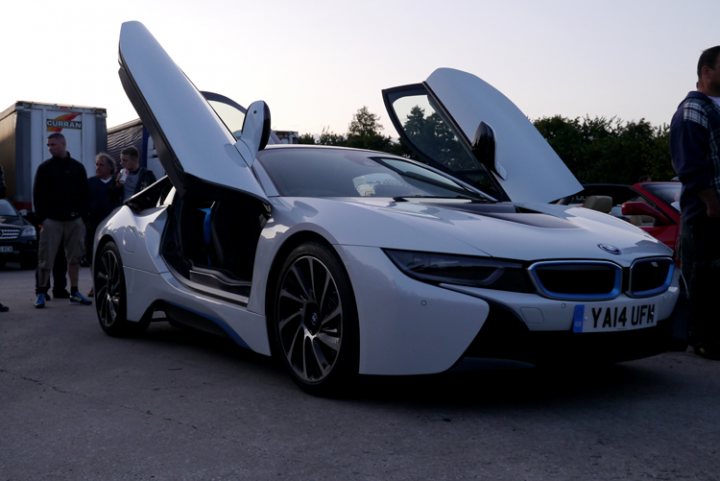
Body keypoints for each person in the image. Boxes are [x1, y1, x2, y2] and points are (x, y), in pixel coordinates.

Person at [670, 45, 720, 360]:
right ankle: (704, 339)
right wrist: (712, 204)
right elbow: (689, 165)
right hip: (707, 212)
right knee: (706, 277)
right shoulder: (693, 110)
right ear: (706, 71)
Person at [33, 133, 92, 308]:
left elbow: (85, 194)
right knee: (45, 259)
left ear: (63, 144)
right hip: (51, 221)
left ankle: (74, 291)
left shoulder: (77, 168)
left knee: (74, 259)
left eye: (54, 145)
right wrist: (42, 219)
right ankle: (41, 293)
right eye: (49, 145)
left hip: (74, 221)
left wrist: (82, 217)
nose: (50, 148)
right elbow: (38, 195)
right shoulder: (44, 168)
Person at [85, 153, 122, 296]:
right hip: (93, 226)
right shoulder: (90, 183)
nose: (98, 167)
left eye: (101, 165)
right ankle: (96, 285)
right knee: (93, 256)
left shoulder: (117, 184)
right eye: (97, 164)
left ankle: (112, 285)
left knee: (109, 256)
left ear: (110, 168)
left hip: (112, 226)